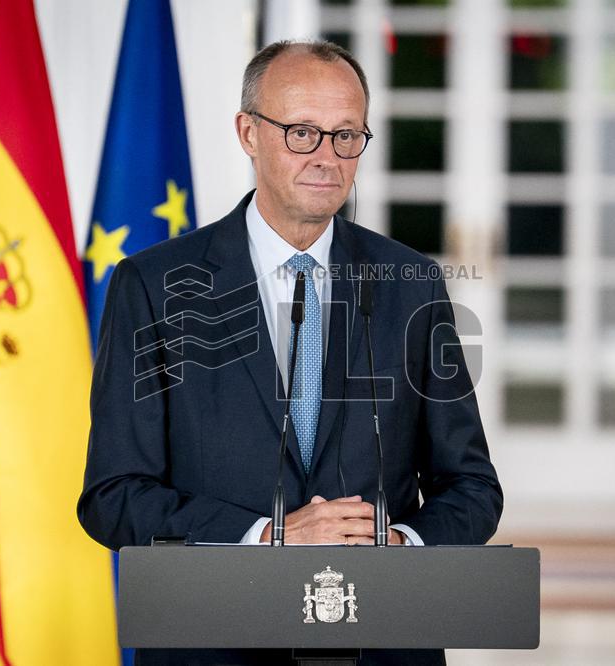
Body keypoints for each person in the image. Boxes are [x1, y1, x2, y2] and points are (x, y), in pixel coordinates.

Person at [78, 39, 503, 666]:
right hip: (211, 643)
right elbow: (112, 495)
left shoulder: (410, 282)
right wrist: (264, 538)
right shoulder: (153, 285)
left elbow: (471, 486)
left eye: (347, 136)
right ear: (249, 133)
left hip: (378, 639)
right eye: (302, 133)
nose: (327, 157)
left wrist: (401, 543)